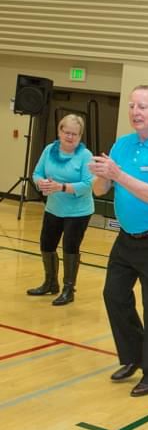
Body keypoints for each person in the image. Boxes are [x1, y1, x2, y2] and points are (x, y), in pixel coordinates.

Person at [89, 85, 148, 397]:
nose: (134, 112)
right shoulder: (122, 144)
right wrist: (102, 174)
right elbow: (99, 191)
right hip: (126, 238)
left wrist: (118, 175)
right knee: (113, 295)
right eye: (132, 106)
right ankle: (132, 356)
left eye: (142, 106)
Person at [28, 114, 94, 306]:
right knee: (46, 245)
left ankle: (68, 289)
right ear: (59, 131)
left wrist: (62, 187)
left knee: (70, 247)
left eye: (75, 134)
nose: (70, 137)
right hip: (54, 208)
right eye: (67, 132)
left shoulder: (85, 156)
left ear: (80, 136)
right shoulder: (49, 150)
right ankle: (50, 283)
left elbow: (88, 184)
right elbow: (37, 173)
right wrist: (41, 183)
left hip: (78, 211)